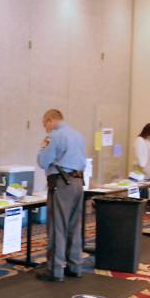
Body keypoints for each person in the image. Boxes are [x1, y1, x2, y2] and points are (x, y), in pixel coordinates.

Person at [36, 109, 87, 282]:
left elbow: (43, 162)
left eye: (45, 125)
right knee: (74, 225)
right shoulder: (78, 135)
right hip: (78, 182)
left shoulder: (55, 136)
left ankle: (55, 270)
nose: (46, 129)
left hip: (61, 184)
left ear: (50, 120)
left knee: (58, 226)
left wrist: (43, 147)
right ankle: (75, 266)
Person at [133, 123, 150, 209]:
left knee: (145, 189)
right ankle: (139, 207)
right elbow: (139, 155)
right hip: (140, 168)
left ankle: (143, 207)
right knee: (141, 189)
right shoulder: (139, 140)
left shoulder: (147, 141)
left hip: (146, 169)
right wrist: (142, 166)